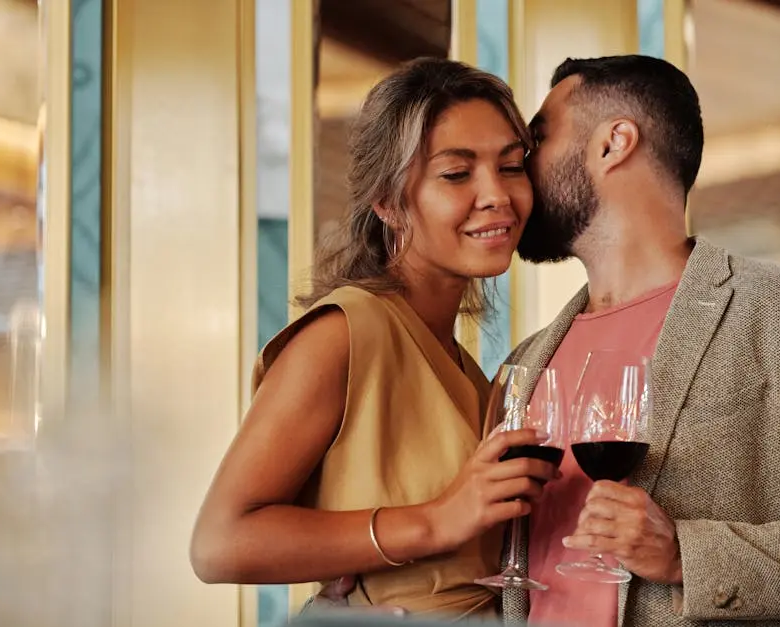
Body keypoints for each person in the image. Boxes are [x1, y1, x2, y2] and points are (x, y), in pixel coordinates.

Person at [500, 55, 780, 626]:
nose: (518, 170)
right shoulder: (526, 363)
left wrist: (684, 553)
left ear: (613, 143)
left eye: (538, 140)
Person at [189, 57, 562, 621]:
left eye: (511, 167)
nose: (497, 195)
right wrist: (435, 520)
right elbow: (219, 544)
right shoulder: (345, 332)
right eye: (456, 174)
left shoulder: (461, 363)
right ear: (387, 201)